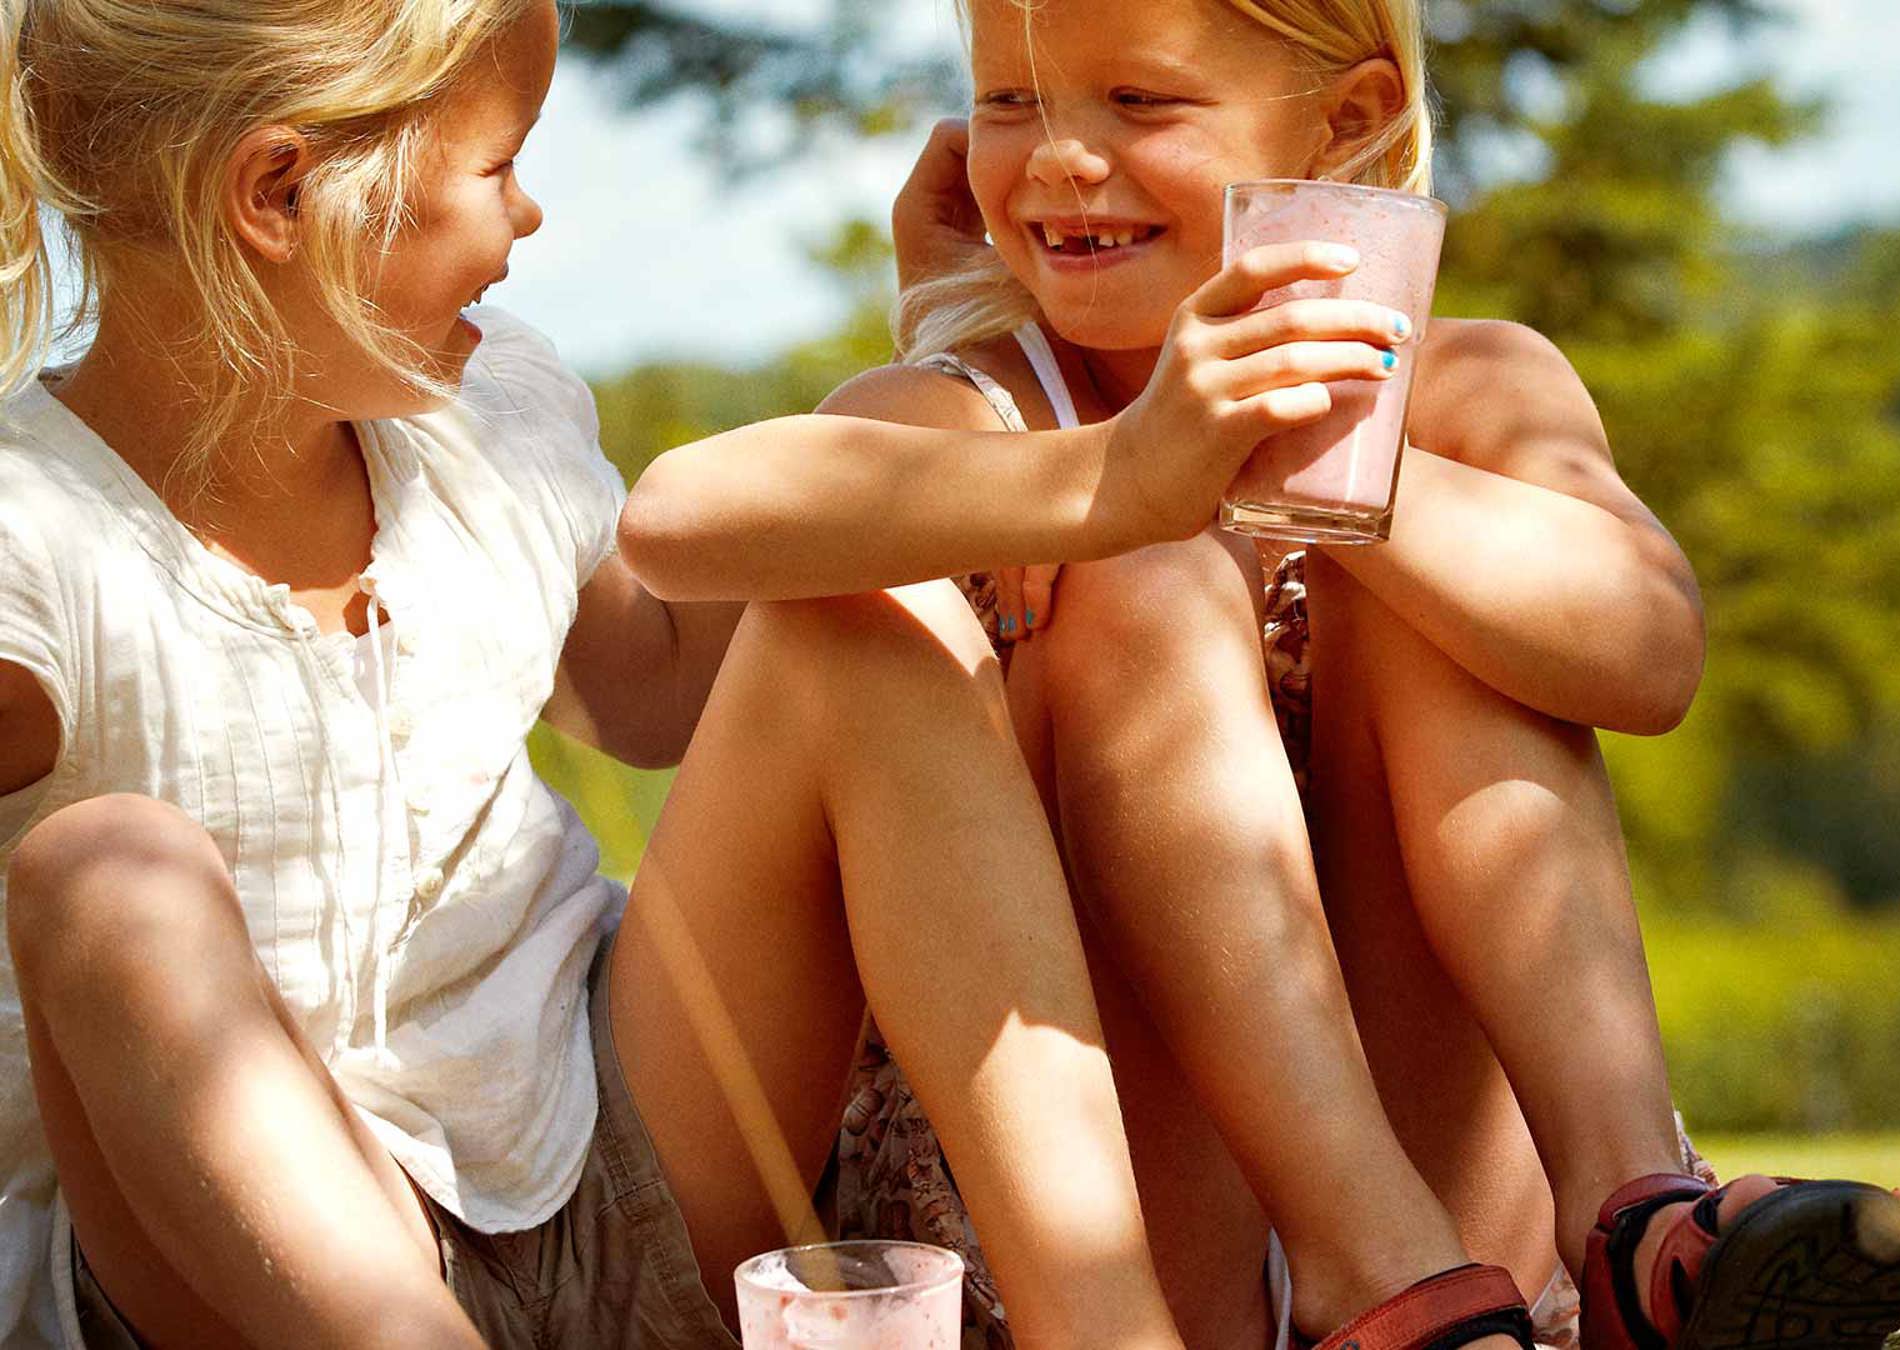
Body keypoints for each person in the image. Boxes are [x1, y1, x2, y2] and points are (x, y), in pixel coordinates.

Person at [0, 0, 1342, 1342]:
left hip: (608, 1157)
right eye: (498, 169)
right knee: (103, 871)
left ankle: (1106, 1326)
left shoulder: (493, 415)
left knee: (850, 622)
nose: (530, 222)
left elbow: (664, 689)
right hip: (245, 1274)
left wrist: (943, 361)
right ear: (281, 193)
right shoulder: (32, 530)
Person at [629, 1, 1900, 1346]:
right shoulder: (988, 409)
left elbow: (1651, 651)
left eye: (1139, 103)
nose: (1063, 158)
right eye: (1010, 102)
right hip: (1141, 1249)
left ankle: (1630, 1215)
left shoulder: (1470, 386)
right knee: (1148, 577)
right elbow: (675, 517)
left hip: (1469, 1231)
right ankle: (1368, 1261)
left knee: (1446, 589)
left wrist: (1329, 485)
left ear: (1349, 121)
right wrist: (1103, 489)